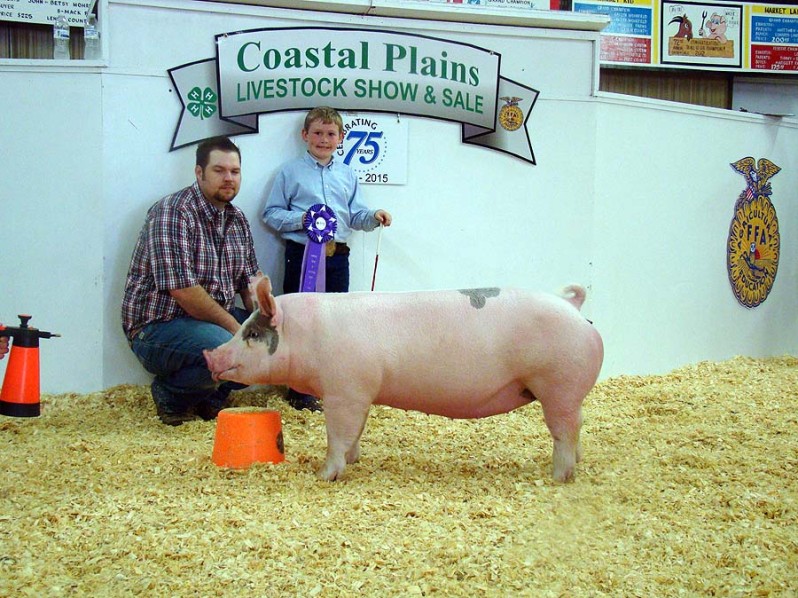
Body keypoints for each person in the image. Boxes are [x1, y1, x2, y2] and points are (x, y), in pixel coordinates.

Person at [122, 136, 260, 426]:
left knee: (266, 343)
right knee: (230, 347)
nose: (228, 178)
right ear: (199, 173)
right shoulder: (172, 212)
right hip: (157, 327)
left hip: (207, 324)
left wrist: (265, 321)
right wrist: (239, 330)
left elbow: (249, 283)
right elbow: (185, 292)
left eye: (234, 172)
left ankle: (207, 398)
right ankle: (172, 395)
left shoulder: (238, 220)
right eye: (218, 170)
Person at [263, 106, 393, 411]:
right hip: (302, 255)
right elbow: (271, 214)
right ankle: (299, 388)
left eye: (330, 134)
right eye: (317, 133)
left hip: (338, 258)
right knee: (300, 322)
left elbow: (355, 215)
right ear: (305, 135)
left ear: (341, 138)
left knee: (337, 322)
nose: (323, 139)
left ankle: (331, 380)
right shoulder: (289, 172)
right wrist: (304, 219)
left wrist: (373, 216)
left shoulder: (348, 174)